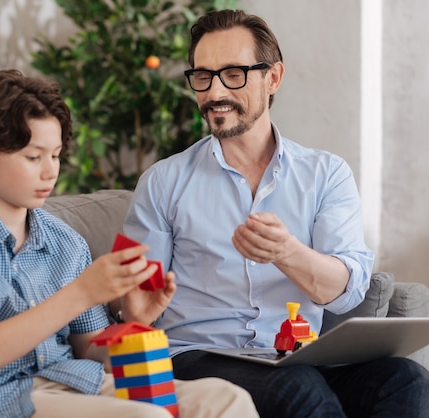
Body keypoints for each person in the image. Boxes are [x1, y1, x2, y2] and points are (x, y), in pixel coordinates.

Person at [121, 9, 429, 418]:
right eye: (203, 76)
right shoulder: (163, 182)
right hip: (196, 360)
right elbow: (134, 305)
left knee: (404, 379)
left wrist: (287, 253)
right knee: (298, 389)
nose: (214, 92)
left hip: (296, 357)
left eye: (233, 74)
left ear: (273, 78)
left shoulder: (326, 174)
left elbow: (347, 292)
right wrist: (132, 294)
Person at [0, 68, 258, 418]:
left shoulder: (65, 242)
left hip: (74, 382)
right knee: (146, 417)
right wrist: (83, 292)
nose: (50, 171)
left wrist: (134, 321)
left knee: (228, 399)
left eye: (56, 155)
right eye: (34, 157)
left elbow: (92, 351)